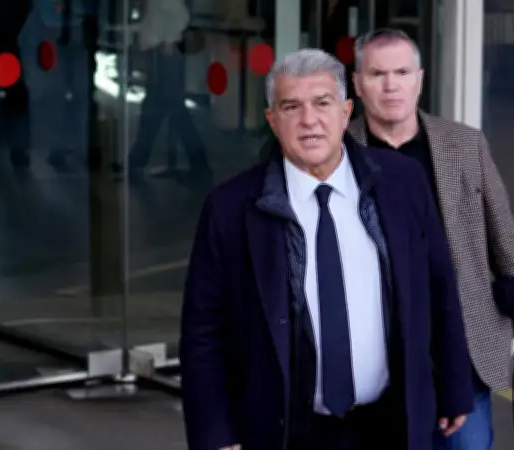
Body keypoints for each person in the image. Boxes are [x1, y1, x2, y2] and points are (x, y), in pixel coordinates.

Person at [180, 48, 474, 450]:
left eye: (322, 103)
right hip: (285, 430)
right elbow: (203, 331)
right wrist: (215, 433)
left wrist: (455, 384)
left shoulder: (402, 182)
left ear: (345, 111)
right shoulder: (230, 208)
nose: (309, 120)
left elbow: (440, 287)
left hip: (390, 423)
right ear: (272, 120)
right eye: (291, 107)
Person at [347, 28, 514, 450]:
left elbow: (503, 235)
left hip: (461, 339)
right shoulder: (340, 150)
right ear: (357, 84)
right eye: (377, 74)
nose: (391, 85)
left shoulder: (463, 144)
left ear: (419, 80)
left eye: (402, 72)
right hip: (376, 346)